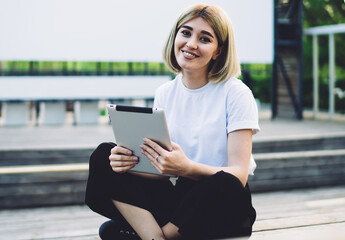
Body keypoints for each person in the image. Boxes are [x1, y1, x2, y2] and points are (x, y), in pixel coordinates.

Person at [85, 3, 260, 240]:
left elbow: (238, 175)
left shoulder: (236, 93)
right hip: (179, 197)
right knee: (103, 155)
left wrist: (186, 167)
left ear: (218, 51)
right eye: (186, 32)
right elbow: (163, 171)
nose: (191, 44)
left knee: (225, 183)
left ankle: (153, 235)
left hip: (220, 200)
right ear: (175, 36)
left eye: (205, 38)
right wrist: (127, 163)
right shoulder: (165, 93)